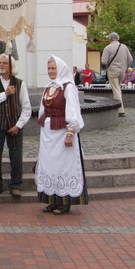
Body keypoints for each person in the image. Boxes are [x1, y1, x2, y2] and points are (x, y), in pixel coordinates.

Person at [36, 55, 88, 215]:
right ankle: (52, 199)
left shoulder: (68, 87)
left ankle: (65, 202)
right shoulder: (49, 88)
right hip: (48, 135)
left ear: (61, 69)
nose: (51, 71)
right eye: (49, 69)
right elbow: (42, 110)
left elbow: (73, 111)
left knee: (63, 166)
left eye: (54, 69)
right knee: (50, 165)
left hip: (62, 133)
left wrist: (70, 133)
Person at [0, 54, 31, 198]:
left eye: (5, 63)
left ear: (11, 67)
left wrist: (18, 125)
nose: (1, 65)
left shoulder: (19, 84)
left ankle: (15, 184)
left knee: (16, 156)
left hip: (13, 124)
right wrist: (5, 94)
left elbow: (26, 108)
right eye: (0, 63)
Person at [101, 32, 132, 117]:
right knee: (118, 88)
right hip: (122, 71)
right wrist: (125, 67)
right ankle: (118, 107)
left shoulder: (108, 48)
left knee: (116, 89)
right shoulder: (124, 47)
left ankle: (120, 110)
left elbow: (104, 62)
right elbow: (130, 59)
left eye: (109, 38)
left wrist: (106, 67)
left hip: (112, 70)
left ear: (111, 39)